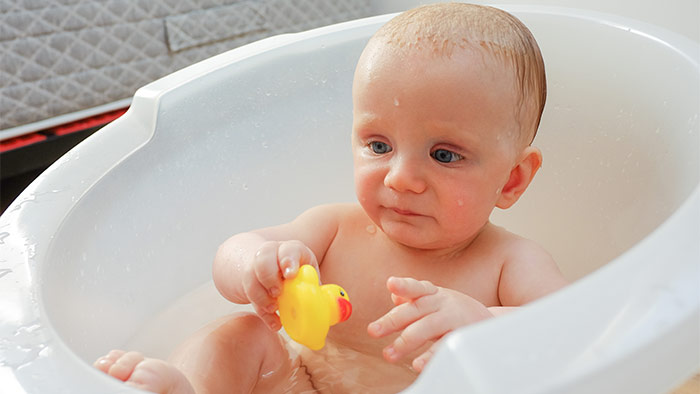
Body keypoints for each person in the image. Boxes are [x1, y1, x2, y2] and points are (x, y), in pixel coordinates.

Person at [94, 3, 568, 393]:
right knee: (240, 333)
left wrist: (484, 324)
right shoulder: (336, 229)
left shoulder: (510, 262)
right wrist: (257, 263)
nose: (401, 178)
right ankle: (189, 389)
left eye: (444, 154)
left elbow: (574, 332)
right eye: (379, 145)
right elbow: (228, 256)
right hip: (295, 382)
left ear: (511, 181)